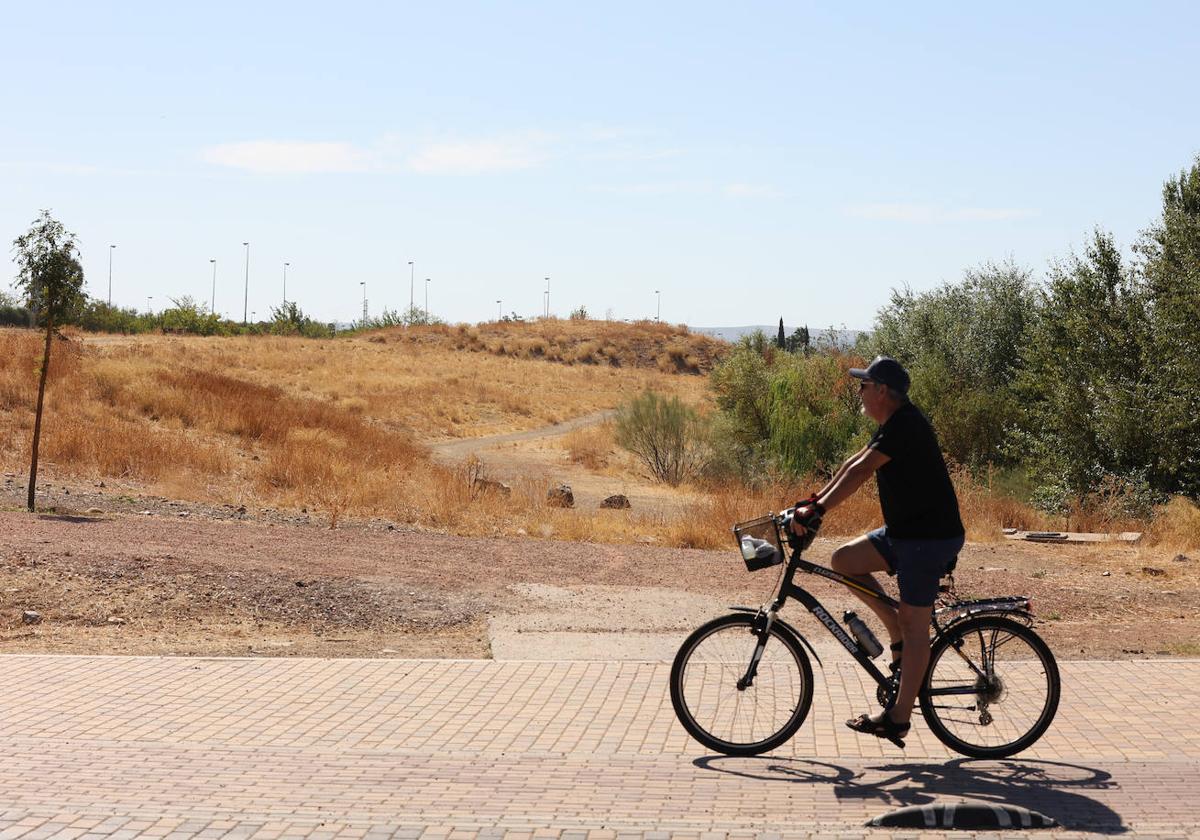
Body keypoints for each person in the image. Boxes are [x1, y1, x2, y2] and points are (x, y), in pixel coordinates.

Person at [791, 355, 964, 747]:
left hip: (928, 538)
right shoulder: (893, 424)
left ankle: (898, 718)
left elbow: (860, 472)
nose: (859, 392)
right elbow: (854, 462)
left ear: (882, 391)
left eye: (864, 386)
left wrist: (817, 511)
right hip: (905, 533)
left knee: (916, 625)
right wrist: (814, 500)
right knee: (844, 561)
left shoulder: (906, 425)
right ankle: (895, 634)